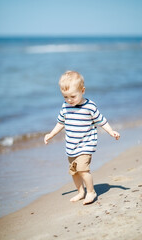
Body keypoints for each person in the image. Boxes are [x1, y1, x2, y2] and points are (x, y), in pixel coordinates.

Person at [44, 71, 120, 205]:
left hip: (86, 145)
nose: (69, 100)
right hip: (71, 146)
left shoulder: (89, 106)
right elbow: (60, 123)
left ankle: (91, 192)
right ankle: (80, 192)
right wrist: (51, 134)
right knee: (74, 172)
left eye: (73, 96)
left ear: (82, 90)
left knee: (83, 170)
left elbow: (101, 121)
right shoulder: (65, 106)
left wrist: (111, 131)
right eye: (65, 96)